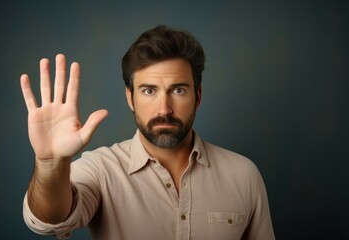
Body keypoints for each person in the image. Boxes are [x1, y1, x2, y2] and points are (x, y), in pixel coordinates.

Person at [20, 25, 275, 240]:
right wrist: (50, 163)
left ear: (197, 96)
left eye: (178, 90)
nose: (164, 109)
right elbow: (49, 220)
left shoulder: (244, 175)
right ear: (130, 98)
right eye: (149, 91)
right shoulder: (101, 170)